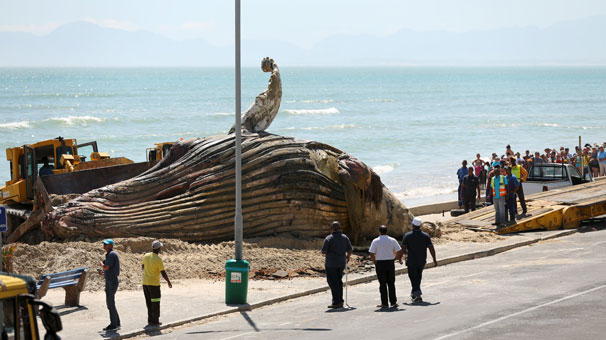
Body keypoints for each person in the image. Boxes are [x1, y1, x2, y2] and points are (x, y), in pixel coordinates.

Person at [402, 218, 437, 303]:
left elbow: (403, 249)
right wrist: (434, 260)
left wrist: (399, 258)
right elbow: (431, 248)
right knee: (418, 276)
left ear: (412, 225)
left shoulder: (407, 235)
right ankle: (414, 293)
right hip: (421, 260)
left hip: (411, 261)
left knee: (413, 277)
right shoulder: (425, 236)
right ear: (420, 226)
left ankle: (418, 295)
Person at [321, 221, 353, 309]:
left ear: (331, 229)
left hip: (331, 263)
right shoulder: (345, 237)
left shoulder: (329, 238)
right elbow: (349, 250)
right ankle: (340, 300)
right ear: (340, 228)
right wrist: (347, 257)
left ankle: (336, 302)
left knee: (332, 282)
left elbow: (323, 251)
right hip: (341, 263)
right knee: (338, 281)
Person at [369, 225, 402, 308]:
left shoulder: (375, 241)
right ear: (386, 231)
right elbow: (399, 250)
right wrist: (395, 258)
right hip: (390, 263)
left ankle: (384, 303)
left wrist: (375, 262)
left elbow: (372, 253)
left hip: (380, 263)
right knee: (391, 283)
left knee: (382, 283)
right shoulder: (392, 240)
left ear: (379, 232)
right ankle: (393, 302)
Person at [142, 240, 173, 327]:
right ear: (159, 249)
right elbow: (163, 272)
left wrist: (148, 272)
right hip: (154, 284)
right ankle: (155, 321)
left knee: (148, 302)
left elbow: (143, 267)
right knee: (155, 302)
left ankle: (150, 320)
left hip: (145, 283)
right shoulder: (158, 259)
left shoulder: (146, 256)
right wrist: (168, 282)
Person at [99, 239, 120, 331]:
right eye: (104, 244)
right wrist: (103, 273)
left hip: (111, 282)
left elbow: (106, 267)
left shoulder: (111, 255)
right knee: (111, 303)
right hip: (111, 280)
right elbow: (110, 270)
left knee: (110, 304)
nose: (104, 245)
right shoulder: (110, 255)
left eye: (106, 244)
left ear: (111, 246)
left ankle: (113, 324)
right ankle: (116, 322)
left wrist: (101, 265)